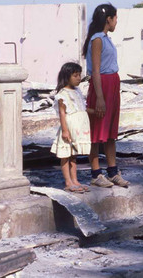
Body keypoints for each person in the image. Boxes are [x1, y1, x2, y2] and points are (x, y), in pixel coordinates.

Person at [82, 3, 129, 188]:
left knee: (110, 132)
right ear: (108, 19)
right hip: (101, 86)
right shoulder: (97, 40)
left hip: (112, 85)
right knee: (96, 131)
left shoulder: (107, 38)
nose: (116, 22)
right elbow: (95, 71)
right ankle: (95, 173)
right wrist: (100, 97)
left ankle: (112, 171)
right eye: (115, 18)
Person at [51, 62, 92, 193]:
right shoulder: (62, 94)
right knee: (65, 155)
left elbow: (82, 108)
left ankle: (75, 180)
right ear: (67, 76)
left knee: (74, 155)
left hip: (78, 129)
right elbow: (62, 113)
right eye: (75, 75)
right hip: (68, 128)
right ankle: (68, 182)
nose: (79, 78)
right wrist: (65, 130)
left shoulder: (78, 91)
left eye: (79, 75)